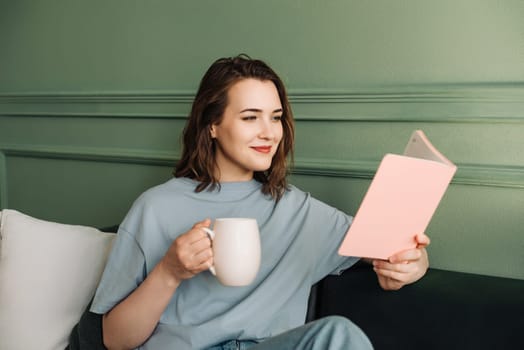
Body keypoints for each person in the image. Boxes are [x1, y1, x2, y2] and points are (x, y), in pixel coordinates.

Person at [90, 55, 430, 350]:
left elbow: (390, 245)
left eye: (276, 116)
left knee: (338, 335)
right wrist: (169, 272)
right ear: (212, 125)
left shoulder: (298, 211)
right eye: (250, 117)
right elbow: (115, 340)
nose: (269, 132)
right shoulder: (156, 208)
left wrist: (415, 263)